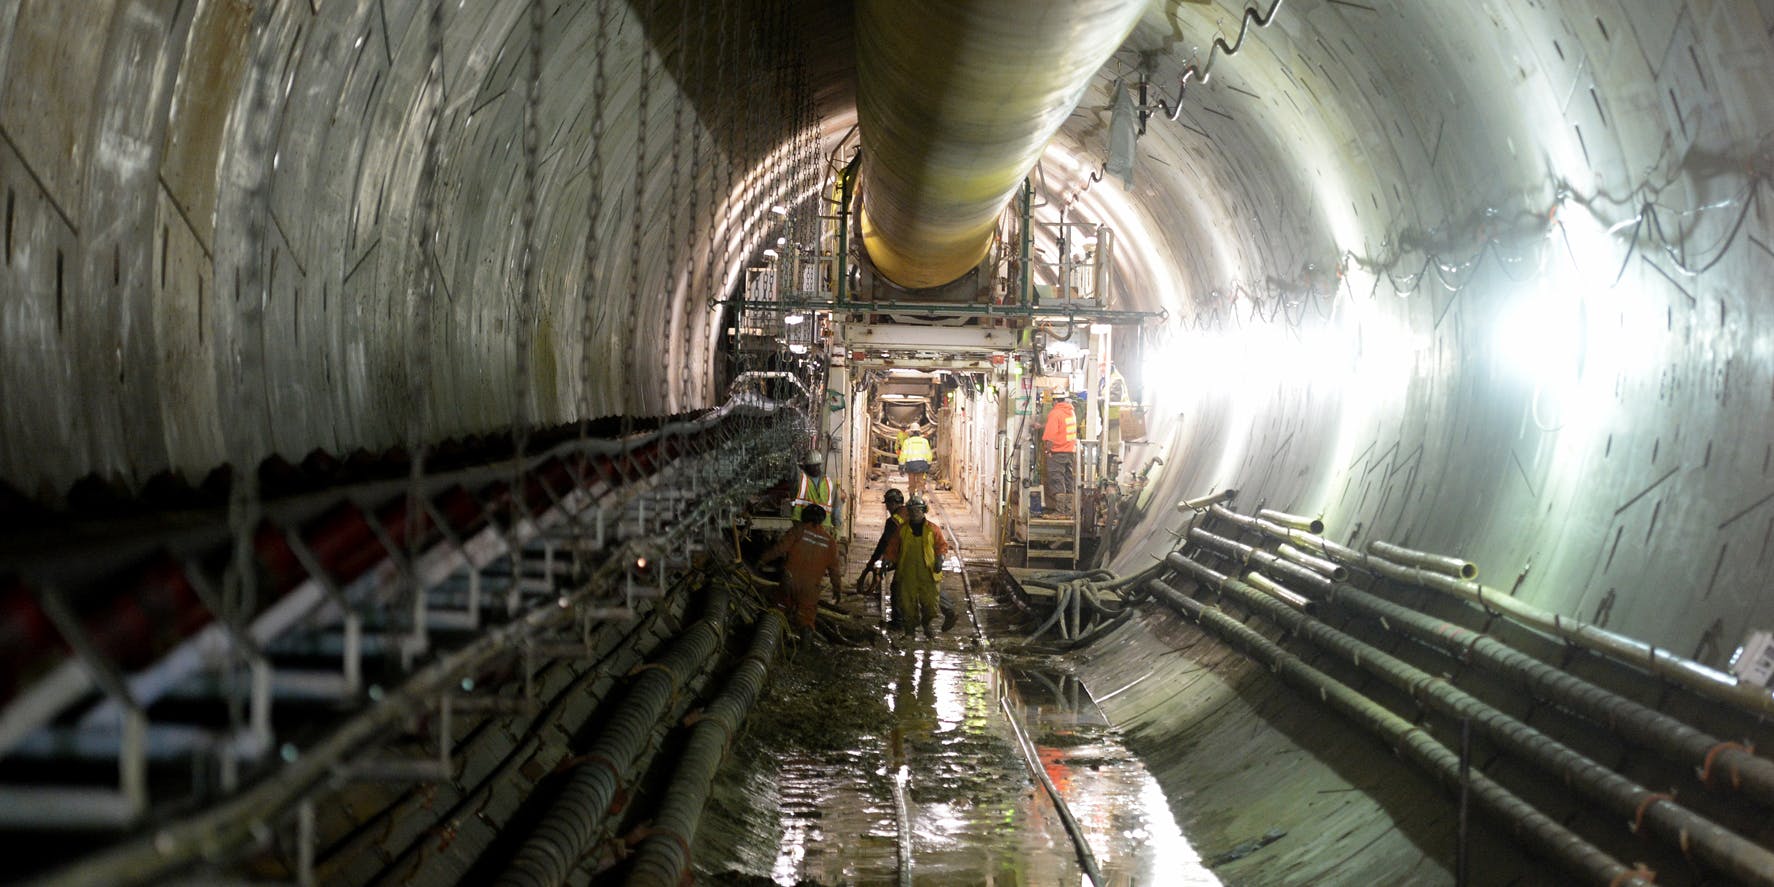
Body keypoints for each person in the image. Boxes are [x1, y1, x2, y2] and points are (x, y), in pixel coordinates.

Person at [857, 488, 958, 631]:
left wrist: (874, 563)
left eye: (888, 504)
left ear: (892, 503)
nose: (887, 507)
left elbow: (885, 544)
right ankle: (947, 611)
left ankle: (900, 622)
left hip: (909, 558)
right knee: (929, 587)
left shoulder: (895, 521)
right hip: (917, 558)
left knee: (899, 587)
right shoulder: (907, 516)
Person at [758, 504, 845, 643]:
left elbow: (779, 549)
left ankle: (773, 644)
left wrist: (762, 560)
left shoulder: (798, 531)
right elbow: (835, 570)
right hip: (810, 588)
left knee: (778, 611)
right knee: (806, 620)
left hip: (789, 581)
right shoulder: (830, 542)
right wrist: (837, 590)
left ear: (804, 517)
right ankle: (805, 652)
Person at [883, 494, 949, 639]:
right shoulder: (901, 530)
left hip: (928, 573)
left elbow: (942, 546)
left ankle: (926, 624)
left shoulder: (933, 529)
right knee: (907, 604)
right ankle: (910, 632)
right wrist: (886, 560)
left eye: (917, 510)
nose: (914, 513)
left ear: (923, 510)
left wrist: (940, 558)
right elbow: (892, 548)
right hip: (907, 573)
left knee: (931, 605)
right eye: (911, 510)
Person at [1042, 391, 1078, 515]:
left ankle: (1059, 511)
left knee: (1057, 479)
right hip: (1070, 452)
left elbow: (1050, 436)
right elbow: (1062, 429)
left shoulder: (1055, 413)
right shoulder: (1071, 412)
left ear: (1055, 401)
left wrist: (1047, 450)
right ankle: (1068, 511)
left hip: (1057, 452)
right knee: (1068, 480)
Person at [791, 450, 840, 529]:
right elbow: (793, 473)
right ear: (806, 466)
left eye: (818, 465)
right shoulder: (801, 480)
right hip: (802, 525)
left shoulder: (828, 482)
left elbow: (836, 506)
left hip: (824, 527)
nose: (816, 468)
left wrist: (837, 526)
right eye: (813, 466)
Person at [898, 428, 934, 495]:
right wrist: (929, 464)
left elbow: (903, 455)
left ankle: (912, 497)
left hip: (910, 464)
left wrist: (901, 466)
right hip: (922, 464)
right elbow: (928, 454)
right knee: (920, 481)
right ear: (919, 432)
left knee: (911, 482)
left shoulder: (907, 442)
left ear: (911, 433)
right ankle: (920, 498)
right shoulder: (924, 441)